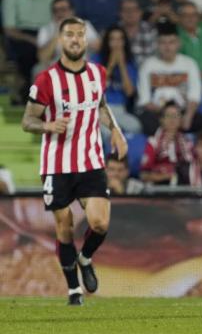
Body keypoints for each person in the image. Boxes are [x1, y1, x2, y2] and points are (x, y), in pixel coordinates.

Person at [21, 17, 128, 305]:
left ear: (86, 41)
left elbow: (101, 106)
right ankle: (73, 291)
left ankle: (86, 257)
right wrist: (48, 125)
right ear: (60, 40)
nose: (75, 39)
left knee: (100, 223)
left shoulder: (98, 73)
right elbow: (28, 120)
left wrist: (115, 132)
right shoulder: (46, 80)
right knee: (64, 227)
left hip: (91, 159)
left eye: (80, 35)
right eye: (69, 34)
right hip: (56, 165)